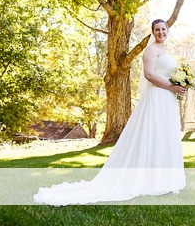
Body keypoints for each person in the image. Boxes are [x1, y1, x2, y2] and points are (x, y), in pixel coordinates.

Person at [34, 19, 187, 205]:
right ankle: (148, 181)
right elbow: (149, 75)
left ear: (167, 30)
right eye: (157, 29)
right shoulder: (151, 50)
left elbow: (166, 73)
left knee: (164, 137)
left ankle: (163, 180)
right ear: (153, 32)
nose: (161, 32)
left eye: (163, 29)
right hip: (157, 97)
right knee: (153, 135)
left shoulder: (165, 52)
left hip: (167, 100)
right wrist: (172, 87)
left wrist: (181, 83)